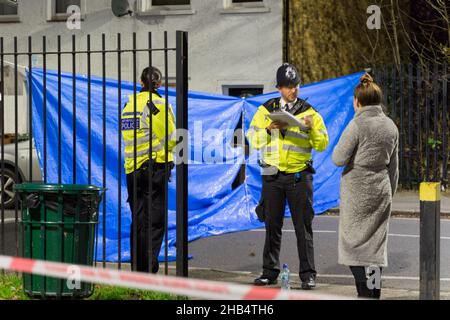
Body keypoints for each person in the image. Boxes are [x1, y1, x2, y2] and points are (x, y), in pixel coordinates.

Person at [247, 63, 329, 289]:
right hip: (272, 176)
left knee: (303, 227)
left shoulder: (309, 112)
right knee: (272, 225)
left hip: (299, 177)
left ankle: (308, 274)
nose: (293, 90)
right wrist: (268, 129)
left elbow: (322, 144)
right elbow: (252, 140)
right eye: (288, 86)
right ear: (278, 88)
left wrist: (311, 128)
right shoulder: (265, 111)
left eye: (296, 85)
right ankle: (269, 271)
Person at [332, 73, 399, 299]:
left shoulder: (356, 124)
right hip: (381, 191)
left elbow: (338, 158)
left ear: (357, 101)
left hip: (357, 194)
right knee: (375, 251)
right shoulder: (391, 126)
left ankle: (365, 293)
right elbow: (394, 168)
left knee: (356, 249)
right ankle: (374, 292)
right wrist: (389, 193)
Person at [121, 66, 176, 273]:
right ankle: (148, 268)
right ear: (159, 84)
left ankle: (137, 266)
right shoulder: (159, 104)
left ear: (141, 83)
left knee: (139, 220)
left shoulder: (129, 104)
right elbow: (171, 138)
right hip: (154, 169)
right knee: (155, 221)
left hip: (132, 170)